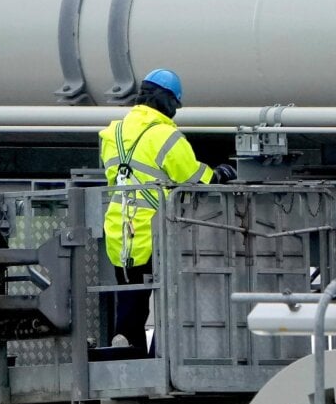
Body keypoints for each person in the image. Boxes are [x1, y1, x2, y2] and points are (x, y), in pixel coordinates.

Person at [98, 69, 236, 351]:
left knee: (131, 298)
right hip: (156, 229)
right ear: (166, 100)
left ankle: (127, 350)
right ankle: (163, 354)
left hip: (119, 228)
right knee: (171, 298)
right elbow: (196, 177)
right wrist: (221, 173)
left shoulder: (114, 132)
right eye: (176, 104)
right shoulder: (166, 136)